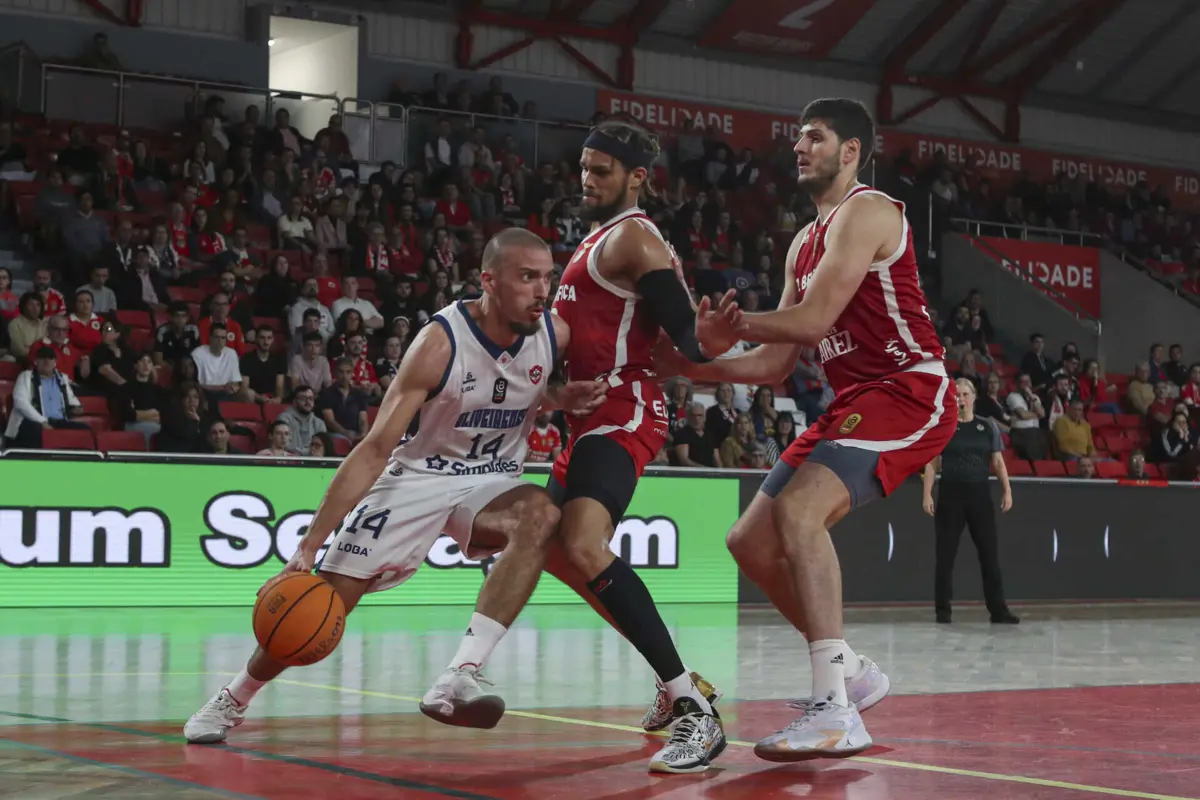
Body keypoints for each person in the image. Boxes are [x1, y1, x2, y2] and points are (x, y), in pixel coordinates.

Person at [183, 228, 606, 746]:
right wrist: (310, 545)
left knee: (541, 514)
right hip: (417, 476)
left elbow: (525, 386)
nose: (542, 291)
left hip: (490, 480)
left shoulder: (553, 333)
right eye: (527, 278)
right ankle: (233, 697)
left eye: (548, 277)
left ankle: (461, 674)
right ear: (488, 281)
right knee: (322, 608)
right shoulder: (438, 344)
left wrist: (559, 398)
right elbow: (375, 448)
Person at [660, 98, 950, 761]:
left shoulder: (871, 211)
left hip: (910, 389)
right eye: (796, 137)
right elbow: (771, 365)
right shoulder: (802, 241)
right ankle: (852, 669)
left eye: (813, 137)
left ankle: (834, 712)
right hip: (854, 399)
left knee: (798, 511)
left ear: (850, 151)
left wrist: (734, 324)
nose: (798, 147)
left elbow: (815, 321)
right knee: (749, 542)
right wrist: (688, 361)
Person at [546, 118, 743, 773]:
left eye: (601, 170)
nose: (587, 178)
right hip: (583, 418)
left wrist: (714, 339)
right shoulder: (596, 238)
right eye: (584, 166)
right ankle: (676, 682)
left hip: (623, 410)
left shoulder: (634, 237)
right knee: (551, 550)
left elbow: (687, 336)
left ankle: (696, 713)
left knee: (576, 545)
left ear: (636, 178)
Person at [921, 378, 1019, 625]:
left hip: (979, 494)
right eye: (957, 395)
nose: (961, 399)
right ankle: (943, 612)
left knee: (989, 554)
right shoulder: (943, 426)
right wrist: (927, 494)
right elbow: (932, 463)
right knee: (945, 556)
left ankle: (998, 610)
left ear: (974, 397)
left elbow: (997, 461)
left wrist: (1007, 491)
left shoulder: (987, 427)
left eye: (965, 394)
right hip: (951, 494)